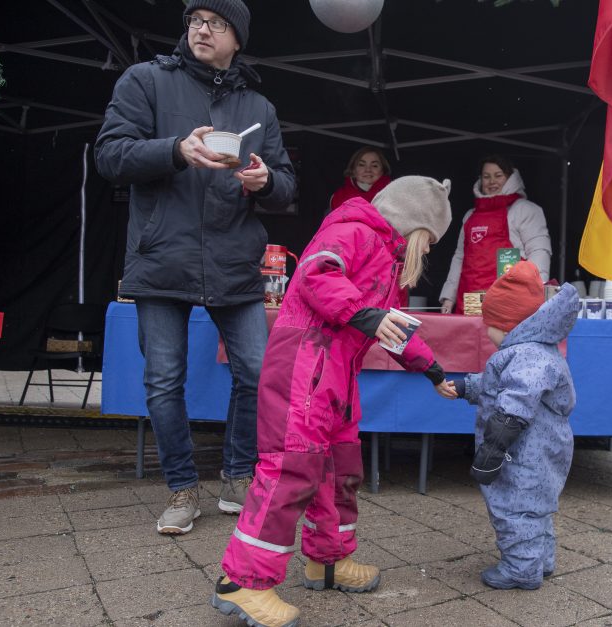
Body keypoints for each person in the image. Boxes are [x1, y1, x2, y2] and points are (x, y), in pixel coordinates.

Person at [212, 176, 458, 626]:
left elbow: (392, 326)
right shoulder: (353, 230)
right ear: (417, 225)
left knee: (339, 470)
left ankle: (328, 559)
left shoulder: (386, 258)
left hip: (336, 379)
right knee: (290, 469)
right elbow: (316, 273)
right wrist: (364, 314)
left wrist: (433, 370)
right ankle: (243, 582)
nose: (427, 252)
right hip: (304, 365)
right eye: (431, 240)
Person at [95, 0, 296, 535]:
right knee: (164, 381)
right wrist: (176, 150)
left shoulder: (260, 106)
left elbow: (286, 186)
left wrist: (265, 183)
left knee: (256, 373)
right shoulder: (146, 81)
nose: (203, 30)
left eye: (217, 23)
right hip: (163, 257)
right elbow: (110, 156)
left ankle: (236, 475)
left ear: (237, 39)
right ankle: (182, 490)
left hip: (234, 261)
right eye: (196, 20)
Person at [452, 261, 579, 590]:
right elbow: (502, 386)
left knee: (515, 506)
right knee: (536, 507)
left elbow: (515, 402)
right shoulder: (534, 351)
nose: (486, 331)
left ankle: (521, 568)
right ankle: (540, 559)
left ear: (510, 324)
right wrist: (468, 387)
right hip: (544, 449)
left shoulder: (526, 354)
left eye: (490, 324)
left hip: (524, 453)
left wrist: (493, 449)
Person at [439, 155, 552, 314]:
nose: (492, 181)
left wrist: (537, 292)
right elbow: (460, 258)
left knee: (503, 338)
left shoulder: (525, 210)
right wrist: (448, 297)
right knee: (472, 338)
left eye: (498, 175)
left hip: (509, 301)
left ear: (511, 178)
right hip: (472, 301)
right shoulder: (470, 216)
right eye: (486, 176)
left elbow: (539, 252)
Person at [329, 146, 392, 211]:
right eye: (361, 165)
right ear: (353, 169)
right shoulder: (337, 197)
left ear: (383, 170)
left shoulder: (393, 194)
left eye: (374, 166)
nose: (368, 169)